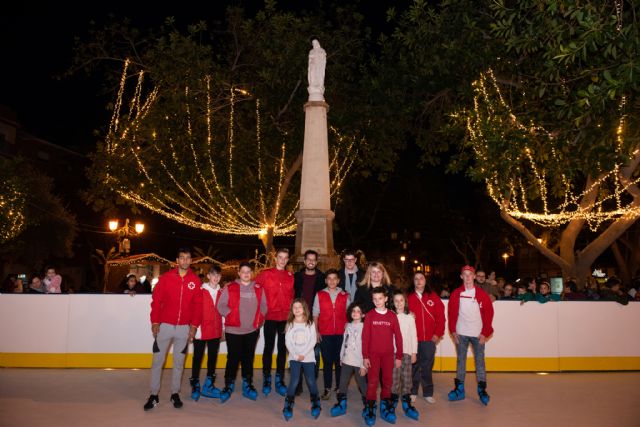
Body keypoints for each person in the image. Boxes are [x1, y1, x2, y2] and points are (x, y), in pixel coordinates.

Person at [143, 247, 203, 411]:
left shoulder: (195, 281)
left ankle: (174, 393)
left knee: (178, 363)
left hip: (184, 329)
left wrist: (194, 326)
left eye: (188, 258)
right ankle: (154, 395)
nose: (185, 260)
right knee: (157, 362)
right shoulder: (166, 278)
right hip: (165, 327)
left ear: (191, 260)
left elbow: (198, 307)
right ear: (177, 260)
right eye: (182, 258)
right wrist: (155, 321)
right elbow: (156, 301)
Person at [217, 262, 267, 403]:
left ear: (252, 273)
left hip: (252, 330)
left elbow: (264, 306)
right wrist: (231, 314)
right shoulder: (230, 287)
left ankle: (247, 383)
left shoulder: (258, 288)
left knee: (248, 358)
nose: (246, 274)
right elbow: (220, 305)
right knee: (233, 358)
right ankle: (229, 384)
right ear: (238, 273)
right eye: (243, 271)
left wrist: (259, 320)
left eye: (248, 271)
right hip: (234, 330)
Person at [447, 265, 494, 406]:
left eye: (470, 274)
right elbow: (451, 313)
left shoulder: (481, 294)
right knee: (461, 361)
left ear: (474, 276)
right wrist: (453, 331)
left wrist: (485, 332)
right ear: (461, 277)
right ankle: (459, 390)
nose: (467, 277)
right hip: (461, 333)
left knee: (480, 362)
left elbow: (489, 313)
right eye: (465, 274)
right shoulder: (456, 293)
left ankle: (482, 390)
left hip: (478, 334)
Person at [255, 248, 294, 397]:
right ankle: (266, 378)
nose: (282, 260)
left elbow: (292, 296)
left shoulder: (290, 277)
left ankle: (279, 379)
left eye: (285, 258)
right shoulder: (266, 274)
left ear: (287, 260)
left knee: (282, 349)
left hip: (285, 318)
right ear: (275, 258)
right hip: (270, 317)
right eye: (280, 257)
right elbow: (255, 290)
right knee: (268, 348)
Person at [362, 287, 403, 425]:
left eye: (380, 298)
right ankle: (370, 407)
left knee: (387, 382)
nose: (377, 301)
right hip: (373, 355)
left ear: (386, 299)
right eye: (375, 299)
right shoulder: (369, 316)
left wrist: (399, 356)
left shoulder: (392, 316)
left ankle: (385, 407)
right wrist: (365, 356)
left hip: (388, 355)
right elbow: (365, 337)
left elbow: (398, 337)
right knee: (372, 382)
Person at [408, 271, 445, 405]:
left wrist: (437, 334)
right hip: (413, 340)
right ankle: (412, 392)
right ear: (413, 281)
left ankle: (428, 393)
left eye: (421, 278)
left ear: (425, 280)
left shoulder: (433, 297)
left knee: (427, 367)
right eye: (416, 278)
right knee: (414, 366)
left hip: (429, 339)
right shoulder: (408, 298)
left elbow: (441, 317)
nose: (418, 281)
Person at [312, 269, 349, 400]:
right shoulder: (320, 295)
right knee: (327, 362)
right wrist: (316, 331)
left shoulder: (345, 295)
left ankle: (339, 387)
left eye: (335, 278)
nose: (332, 281)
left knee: (340, 362)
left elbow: (349, 314)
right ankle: (327, 388)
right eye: (329, 278)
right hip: (325, 333)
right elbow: (315, 314)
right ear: (326, 280)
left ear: (338, 281)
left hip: (341, 334)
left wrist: (347, 327)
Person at [282, 299, 321, 421]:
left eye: (299, 307)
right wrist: (295, 354)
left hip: (308, 357)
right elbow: (288, 341)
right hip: (294, 357)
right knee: (294, 380)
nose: (297, 309)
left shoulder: (309, 323)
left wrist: (303, 354)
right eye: (295, 307)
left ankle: (315, 402)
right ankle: (288, 403)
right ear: (292, 310)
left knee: (311, 380)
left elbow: (313, 340)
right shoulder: (290, 323)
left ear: (304, 309)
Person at [190, 265, 223, 401]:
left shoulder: (222, 292)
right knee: (197, 357)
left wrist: (224, 329)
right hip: (201, 331)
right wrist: (194, 328)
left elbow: (224, 312)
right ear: (208, 276)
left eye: (218, 275)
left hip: (215, 331)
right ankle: (195, 383)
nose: (215, 278)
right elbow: (194, 310)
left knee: (212, 357)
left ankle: (209, 384)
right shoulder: (200, 291)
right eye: (213, 275)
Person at [293, 249, 325, 394]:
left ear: (316, 262)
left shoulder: (322, 278)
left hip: (315, 319)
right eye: (309, 259)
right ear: (304, 261)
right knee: (297, 350)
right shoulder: (297, 277)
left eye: (314, 260)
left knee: (315, 352)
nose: (311, 262)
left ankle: (312, 380)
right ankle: (298, 382)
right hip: (299, 318)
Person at [330, 302, 367, 417]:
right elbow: (344, 343)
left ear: (363, 315)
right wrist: (342, 356)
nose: (355, 313)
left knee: (362, 385)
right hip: (346, 360)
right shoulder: (348, 326)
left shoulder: (365, 328)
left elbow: (366, 347)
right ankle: (342, 404)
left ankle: (369, 404)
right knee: (342, 383)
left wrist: (363, 365)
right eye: (353, 311)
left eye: (358, 311)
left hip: (359, 362)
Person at [390, 291, 419, 420]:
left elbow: (414, 335)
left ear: (405, 302)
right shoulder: (390, 316)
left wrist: (414, 352)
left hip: (407, 353)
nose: (399, 303)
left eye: (401, 300)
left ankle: (406, 402)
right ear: (392, 303)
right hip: (393, 353)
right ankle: (393, 400)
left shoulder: (410, 317)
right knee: (394, 379)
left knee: (407, 379)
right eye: (396, 300)